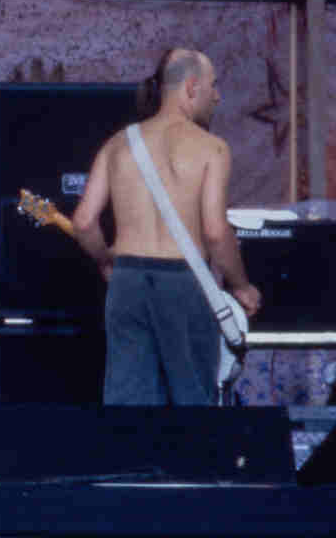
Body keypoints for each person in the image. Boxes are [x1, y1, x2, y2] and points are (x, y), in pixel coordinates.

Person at [70, 47, 261, 406]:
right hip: (184, 284)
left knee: (129, 410)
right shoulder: (212, 148)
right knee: (191, 406)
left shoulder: (118, 144)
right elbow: (216, 232)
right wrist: (241, 286)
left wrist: (105, 260)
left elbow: (83, 222)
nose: (218, 96)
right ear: (191, 87)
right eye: (213, 86)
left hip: (127, 282)